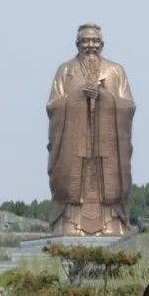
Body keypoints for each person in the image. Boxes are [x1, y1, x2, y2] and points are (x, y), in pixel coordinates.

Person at [46, 23, 135, 236]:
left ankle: (111, 220)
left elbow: (128, 106)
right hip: (75, 143)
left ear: (102, 44)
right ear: (77, 44)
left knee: (106, 181)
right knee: (74, 178)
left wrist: (104, 98)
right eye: (85, 41)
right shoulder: (65, 71)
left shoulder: (115, 71)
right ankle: (69, 220)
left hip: (106, 148)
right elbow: (53, 106)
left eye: (95, 41)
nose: (90, 45)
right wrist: (77, 96)